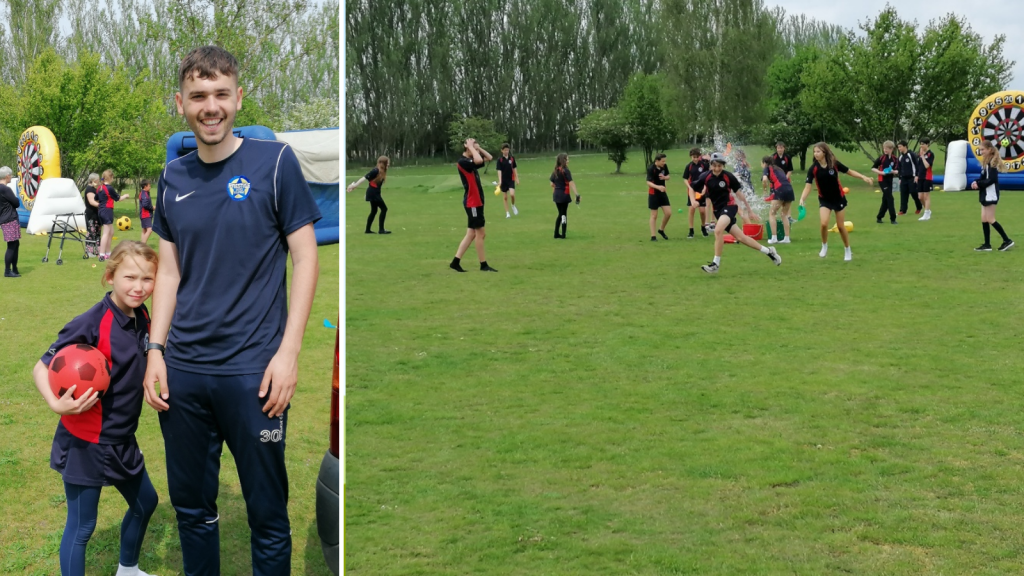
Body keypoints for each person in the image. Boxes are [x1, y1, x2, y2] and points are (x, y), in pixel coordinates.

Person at [144, 46, 322, 574]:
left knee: (267, 514)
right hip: (185, 374)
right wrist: (155, 350)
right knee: (193, 511)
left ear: (238, 98)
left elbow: (305, 256)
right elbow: (169, 273)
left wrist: (289, 353)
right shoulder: (172, 177)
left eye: (221, 93)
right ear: (181, 104)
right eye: (199, 96)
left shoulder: (275, 163)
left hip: (254, 374)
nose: (211, 106)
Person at [32, 240, 160, 576]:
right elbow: (41, 366)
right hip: (86, 442)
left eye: (148, 279)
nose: (139, 287)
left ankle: (127, 569)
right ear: (110, 275)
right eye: (130, 277)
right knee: (82, 526)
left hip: (122, 439)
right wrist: (55, 402)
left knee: (146, 503)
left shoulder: (143, 315)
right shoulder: (91, 322)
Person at [692, 152, 781, 274]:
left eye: (720, 166)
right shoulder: (705, 177)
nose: (717, 168)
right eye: (715, 166)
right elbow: (693, 188)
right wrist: (694, 201)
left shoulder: (728, 177)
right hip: (718, 211)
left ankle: (715, 264)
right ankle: (769, 252)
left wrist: (749, 211)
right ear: (711, 165)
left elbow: (740, 195)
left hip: (730, 207)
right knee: (741, 237)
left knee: (718, 231)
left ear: (723, 165)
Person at [799, 142, 874, 261]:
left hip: (838, 198)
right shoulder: (813, 169)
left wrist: (863, 177)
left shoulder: (834, 164)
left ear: (824, 152)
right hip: (824, 200)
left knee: (840, 226)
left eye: (818, 151)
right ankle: (824, 245)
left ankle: (847, 249)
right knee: (824, 223)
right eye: (814, 152)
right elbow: (808, 186)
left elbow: (849, 171)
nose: (816, 154)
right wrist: (802, 199)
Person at [450, 138, 497, 272]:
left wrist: (478, 148)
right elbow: (478, 160)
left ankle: (455, 262)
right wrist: (471, 147)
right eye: (474, 150)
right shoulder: (463, 162)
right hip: (473, 202)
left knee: (471, 233)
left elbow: (489, 157)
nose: (477, 152)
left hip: (477, 201)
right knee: (480, 233)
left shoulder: (470, 161)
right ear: (467, 149)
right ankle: (483, 265)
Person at [971, 139, 1014, 251]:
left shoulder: (992, 164)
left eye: (983, 150)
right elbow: (984, 178)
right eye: (980, 150)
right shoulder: (986, 163)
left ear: (990, 150)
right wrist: (976, 182)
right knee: (984, 219)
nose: (981, 152)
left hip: (990, 194)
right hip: (985, 193)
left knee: (990, 218)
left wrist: (979, 184)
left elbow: (992, 180)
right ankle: (987, 245)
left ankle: (1007, 240)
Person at [346, 156, 391, 234]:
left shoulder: (381, 172)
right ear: (383, 163)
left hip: (373, 193)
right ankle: (381, 230)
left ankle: (368, 230)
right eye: (388, 163)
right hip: (373, 194)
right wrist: (354, 186)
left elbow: (375, 185)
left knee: (374, 211)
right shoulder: (375, 171)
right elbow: (364, 178)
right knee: (384, 209)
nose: (389, 164)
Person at [96, 169, 127, 261]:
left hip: (101, 211)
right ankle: (102, 254)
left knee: (111, 232)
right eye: (112, 177)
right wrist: (125, 196)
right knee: (106, 233)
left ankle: (108, 253)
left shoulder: (99, 188)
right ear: (110, 177)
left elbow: (96, 198)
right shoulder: (109, 188)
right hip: (107, 211)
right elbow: (118, 198)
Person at [761, 156, 793, 244]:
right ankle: (787, 238)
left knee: (772, 213)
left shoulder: (767, 168)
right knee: (784, 214)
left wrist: (764, 191)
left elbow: (764, 180)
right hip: (789, 189)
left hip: (780, 189)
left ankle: (774, 238)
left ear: (764, 163)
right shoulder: (779, 169)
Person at [550, 153, 579, 238]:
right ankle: (563, 234)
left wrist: (557, 188)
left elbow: (551, 183)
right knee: (563, 214)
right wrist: (576, 194)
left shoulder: (556, 170)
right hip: (564, 194)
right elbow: (571, 182)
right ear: (563, 160)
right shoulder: (566, 170)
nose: (568, 161)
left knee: (560, 213)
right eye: (567, 159)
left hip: (556, 195)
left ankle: (556, 233)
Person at [683, 148, 710, 238]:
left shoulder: (704, 165)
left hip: (701, 190)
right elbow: (685, 179)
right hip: (692, 190)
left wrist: (705, 188)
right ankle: (691, 230)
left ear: (699, 157)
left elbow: (707, 177)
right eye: (693, 157)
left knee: (702, 211)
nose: (695, 159)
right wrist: (689, 187)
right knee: (692, 210)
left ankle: (703, 227)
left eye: (697, 157)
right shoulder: (689, 166)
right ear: (691, 157)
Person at [871, 141, 899, 224]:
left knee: (885, 199)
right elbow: (873, 168)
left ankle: (879, 217)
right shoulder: (881, 158)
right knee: (890, 198)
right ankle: (893, 219)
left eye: (887, 148)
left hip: (890, 181)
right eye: (884, 148)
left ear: (891, 149)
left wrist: (893, 171)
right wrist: (881, 172)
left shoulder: (895, 159)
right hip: (882, 180)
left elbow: (897, 170)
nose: (885, 150)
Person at [0, 167, 20, 277]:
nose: (11, 177)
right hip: (10, 219)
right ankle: (8, 270)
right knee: (12, 245)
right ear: (7, 176)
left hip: (4, 218)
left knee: (15, 244)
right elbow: (16, 203)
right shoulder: (5, 189)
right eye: (11, 175)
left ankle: (14, 269)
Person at [646, 153, 671, 241]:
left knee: (668, 213)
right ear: (657, 161)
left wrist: (665, 177)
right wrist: (658, 187)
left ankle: (661, 229)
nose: (664, 163)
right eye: (662, 161)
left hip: (662, 193)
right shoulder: (651, 168)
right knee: (654, 215)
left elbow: (668, 176)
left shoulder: (664, 166)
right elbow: (648, 182)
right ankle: (653, 236)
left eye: (665, 161)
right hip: (653, 194)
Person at [896, 140, 923, 216]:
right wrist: (900, 178)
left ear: (905, 146)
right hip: (904, 178)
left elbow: (916, 166)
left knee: (914, 193)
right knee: (903, 194)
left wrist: (916, 176)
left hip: (912, 177)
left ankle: (919, 207)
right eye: (898, 147)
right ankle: (903, 210)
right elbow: (900, 168)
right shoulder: (901, 157)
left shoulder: (911, 155)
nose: (899, 148)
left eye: (900, 147)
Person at [496, 143, 519, 218]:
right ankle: (507, 213)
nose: (506, 151)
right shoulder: (500, 160)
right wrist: (500, 180)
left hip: (511, 179)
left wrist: (517, 178)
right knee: (505, 197)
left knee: (512, 194)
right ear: (502, 151)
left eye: (507, 150)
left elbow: (514, 168)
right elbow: (499, 171)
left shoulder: (512, 158)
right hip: (503, 180)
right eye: (505, 150)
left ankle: (513, 205)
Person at [83, 173, 102, 256]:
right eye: (97, 180)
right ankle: (89, 251)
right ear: (93, 180)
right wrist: (101, 205)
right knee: (91, 232)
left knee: (97, 233)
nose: (98, 182)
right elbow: (91, 201)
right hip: (91, 214)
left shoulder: (95, 189)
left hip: (97, 214)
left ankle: (99, 251)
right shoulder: (89, 189)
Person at [918, 139, 935, 220]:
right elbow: (919, 166)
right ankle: (927, 210)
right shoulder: (920, 154)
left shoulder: (930, 154)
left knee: (926, 196)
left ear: (927, 144)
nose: (921, 146)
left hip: (927, 177)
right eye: (921, 144)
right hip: (920, 177)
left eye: (923, 144)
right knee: (920, 197)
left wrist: (922, 156)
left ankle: (926, 214)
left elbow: (927, 166)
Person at [138, 179, 154, 243]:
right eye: (149, 186)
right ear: (145, 186)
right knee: (149, 230)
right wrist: (152, 208)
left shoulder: (144, 193)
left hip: (143, 215)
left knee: (144, 230)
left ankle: (142, 245)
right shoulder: (144, 194)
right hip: (145, 215)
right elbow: (145, 205)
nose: (150, 187)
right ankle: (142, 245)